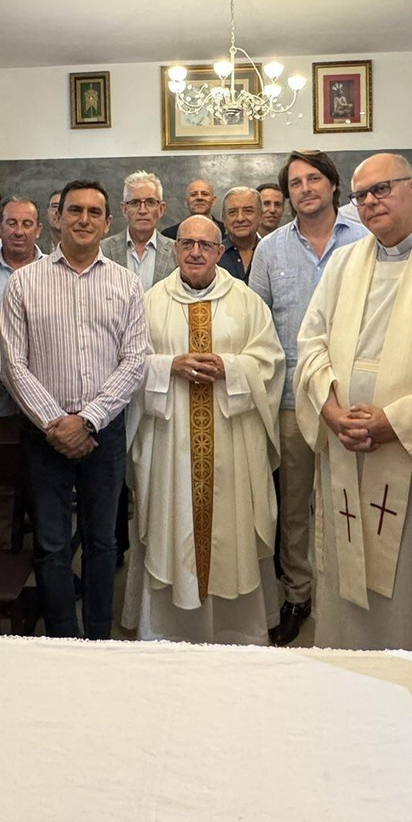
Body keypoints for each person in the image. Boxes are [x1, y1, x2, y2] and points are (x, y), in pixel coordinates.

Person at [295, 156, 412, 652]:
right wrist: (332, 411)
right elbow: (311, 342)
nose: (371, 202)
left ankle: (408, 683)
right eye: (360, 195)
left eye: (381, 189)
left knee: (408, 583)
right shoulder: (343, 263)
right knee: (342, 574)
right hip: (345, 447)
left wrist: (395, 422)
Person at [122, 216, 284, 643]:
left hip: (231, 444)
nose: (195, 252)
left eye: (205, 245)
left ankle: (235, 632)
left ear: (219, 251)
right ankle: (168, 632)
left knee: (232, 536)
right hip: (169, 442)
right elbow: (129, 362)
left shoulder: (247, 302)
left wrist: (231, 367)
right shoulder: (150, 301)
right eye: (187, 243)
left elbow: (269, 362)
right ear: (175, 250)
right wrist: (168, 365)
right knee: (170, 526)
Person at [0, 180, 147, 639]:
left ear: (108, 222)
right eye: (74, 210)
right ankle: (63, 638)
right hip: (44, 435)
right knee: (52, 543)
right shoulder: (25, 282)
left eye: (94, 212)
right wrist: (55, 422)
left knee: (104, 542)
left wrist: (87, 420)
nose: (84, 219)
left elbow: (136, 358)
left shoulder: (126, 282)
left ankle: (100, 637)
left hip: (104, 432)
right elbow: (12, 363)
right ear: (57, 217)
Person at [248, 151, 365, 645]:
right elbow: (258, 322)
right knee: (294, 507)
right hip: (293, 400)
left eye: (313, 178)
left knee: (350, 500)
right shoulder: (271, 250)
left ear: (333, 185)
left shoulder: (364, 240)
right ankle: (296, 592)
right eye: (295, 182)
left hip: (352, 398)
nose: (304, 188)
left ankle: (347, 592)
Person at [0, 197, 44, 549]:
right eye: (11, 223)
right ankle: (1, 566)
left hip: (46, 400)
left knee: (43, 488)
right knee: (1, 487)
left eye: (26, 224)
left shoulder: (54, 271)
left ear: (39, 228)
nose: (19, 231)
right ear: (0, 227)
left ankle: (42, 571)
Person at [101, 171, 176, 290]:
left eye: (150, 202)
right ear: (124, 209)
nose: (142, 210)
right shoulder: (102, 250)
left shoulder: (176, 252)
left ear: (161, 209)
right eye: (134, 203)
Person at [219, 186, 261, 282]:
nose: (240, 218)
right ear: (224, 220)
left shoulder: (272, 253)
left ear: (260, 216)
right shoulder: (213, 256)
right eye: (232, 212)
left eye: (248, 211)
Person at [41, 189, 63, 254]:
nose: (58, 211)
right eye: (54, 206)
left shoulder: (84, 246)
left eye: (63, 206)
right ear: (47, 213)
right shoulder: (35, 248)